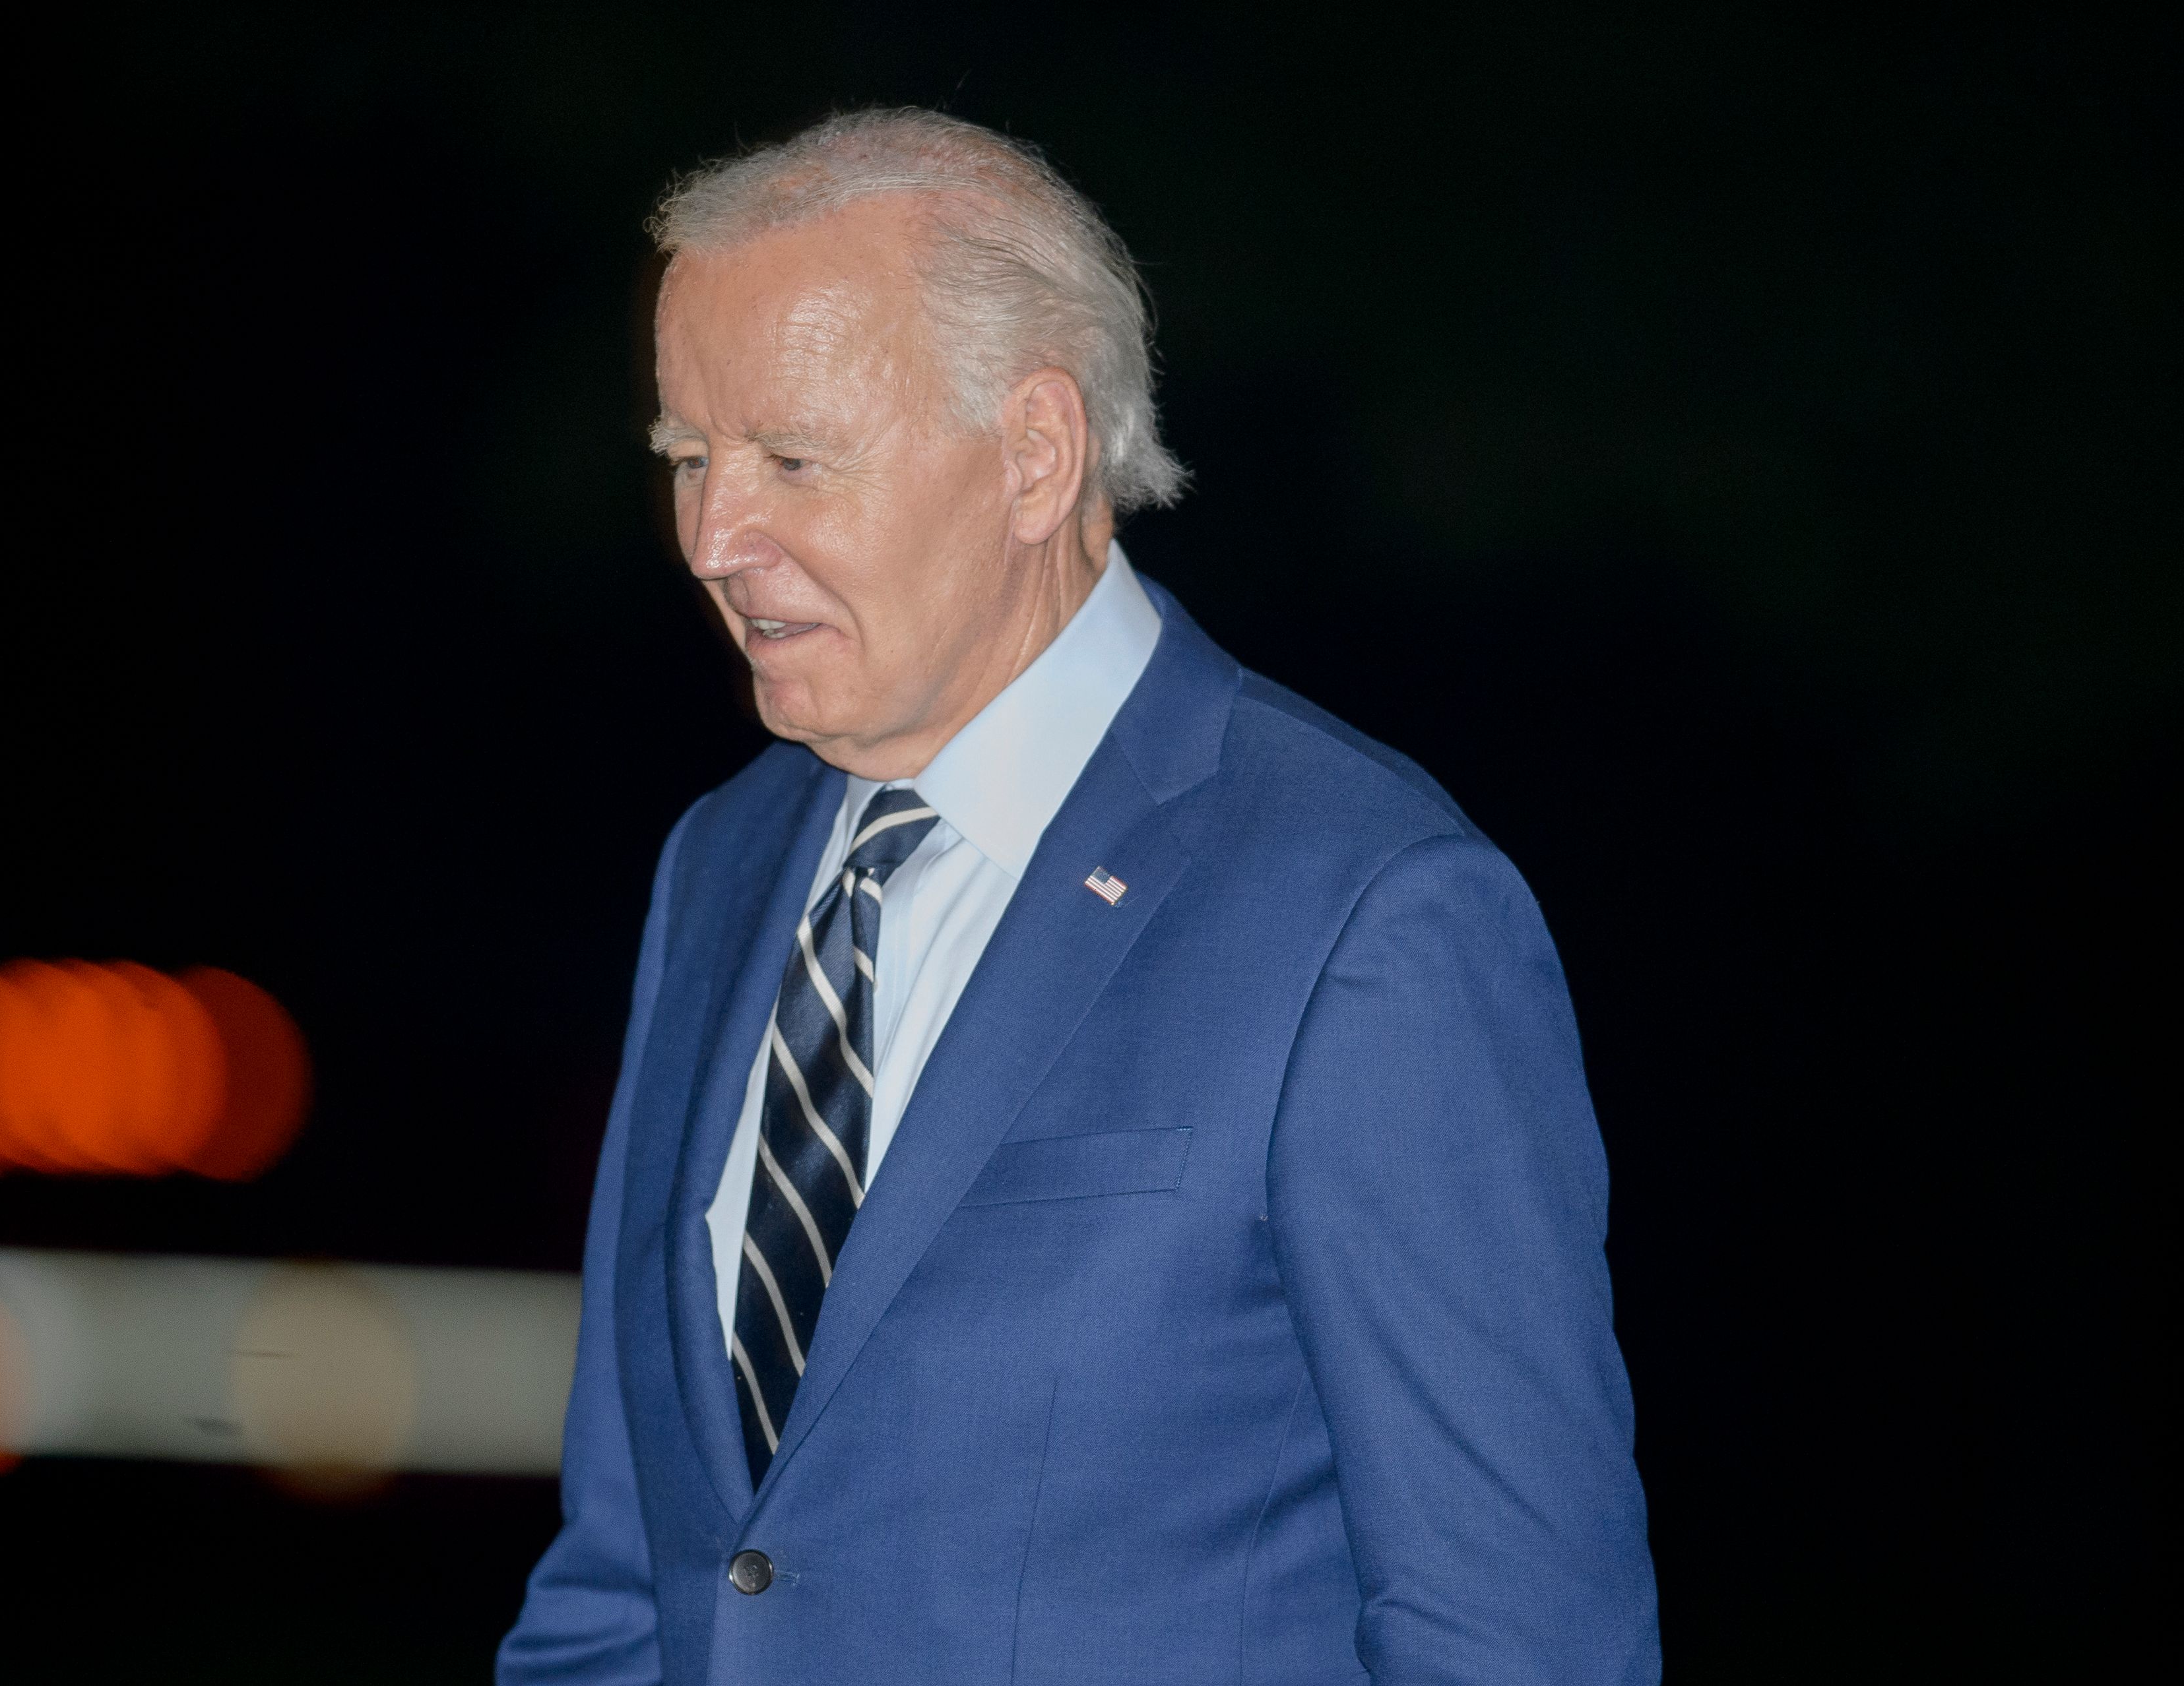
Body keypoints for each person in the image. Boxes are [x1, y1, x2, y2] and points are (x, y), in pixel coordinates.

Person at [499, 109, 1659, 1685]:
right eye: (692, 458)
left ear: (1035, 456)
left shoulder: (1370, 913)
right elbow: (629, 1583)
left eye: (792, 459)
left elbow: (1517, 1639)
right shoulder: (720, 863)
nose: (714, 536)